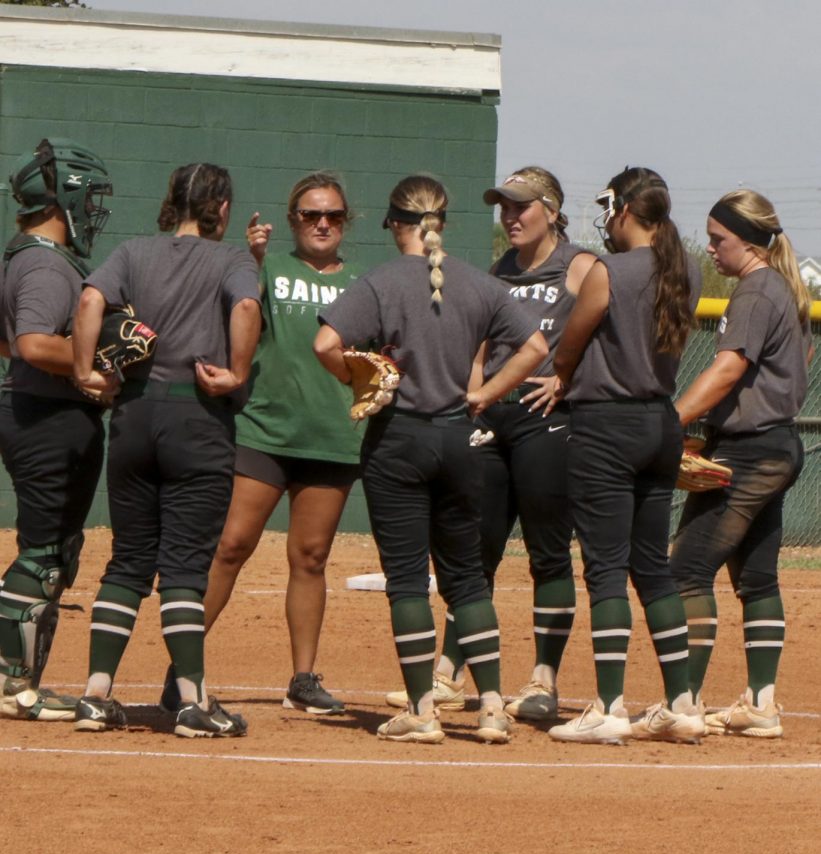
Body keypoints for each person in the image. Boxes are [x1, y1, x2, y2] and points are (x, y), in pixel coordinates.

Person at [314, 174, 547, 744]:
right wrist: (486, 395)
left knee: (408, 582)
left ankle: (423, 710)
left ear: (397, 224)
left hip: (400, 440)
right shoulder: (479, 283)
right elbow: (538, 348)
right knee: (467, 578)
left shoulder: (380, 281)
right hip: (462, 440)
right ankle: (492, 709)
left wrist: (361, 380)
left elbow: (325, 345)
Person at [384, 167, 597, 721]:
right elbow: (480, 343)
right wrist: (470, 393)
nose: (510, 215)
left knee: (549, 552)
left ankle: (543, 680)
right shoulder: (497, 271)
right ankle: (451, 673)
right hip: (490, 417)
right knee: (473, 549)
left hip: (545, 418)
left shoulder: (579, 266)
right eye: (503, 205)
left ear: (551, 209)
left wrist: (567, 378)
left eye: (521, 205)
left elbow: (606, 337)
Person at [160, 172, 361, 716]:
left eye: (334, 216)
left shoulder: (363, 283)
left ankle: (303, 679)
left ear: (347, 222)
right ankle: (182, 670)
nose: (323, 224)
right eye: (311, 214)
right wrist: (250, 260)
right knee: (230, 547)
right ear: (292, 219)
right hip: (263, 431)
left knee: (311, 558)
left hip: (331, 437)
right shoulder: (266, 268)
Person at [71, 162, 262, 737]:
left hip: (133, 414)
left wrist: (84, 372)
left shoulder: (133, 251)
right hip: (194, 417)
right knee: (183, 566)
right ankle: (191, 702)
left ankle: (95, 695)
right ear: (221, 208)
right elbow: (247, 309)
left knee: (128, 559)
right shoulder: (231, 259)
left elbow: (88, 303)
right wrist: (237, 373)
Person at [546, 166, 704, 745]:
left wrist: (560, 376)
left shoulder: (612, 268)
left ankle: (610, 705)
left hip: (606, 423)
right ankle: (682, 704)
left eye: (608, 208)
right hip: (660, 421)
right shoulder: (680, 266)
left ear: (625, 209)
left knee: (607, 568)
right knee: (652, 567)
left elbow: (576, 332)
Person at [670, 190, 813, 738]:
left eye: (719, 239)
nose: (711, 248)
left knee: (685, 570)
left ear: (748, 241)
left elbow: (728, 370)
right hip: (777, 445)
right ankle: (760, 704)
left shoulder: (755, 292)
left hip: (747, 451)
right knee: (755, 578)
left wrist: (674, 421)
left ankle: (683, 702)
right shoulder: (782, 290)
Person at [0, 137, 115, 722]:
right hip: (45, 418)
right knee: (43, 556)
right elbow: (29, 342)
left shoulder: (31, 257)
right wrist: (88, 367)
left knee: (57, 553)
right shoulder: (45, 262)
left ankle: (22, 684)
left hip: (44, 413)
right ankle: (7, 683)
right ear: (62, 199)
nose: (93, 208)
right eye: (88, 197)